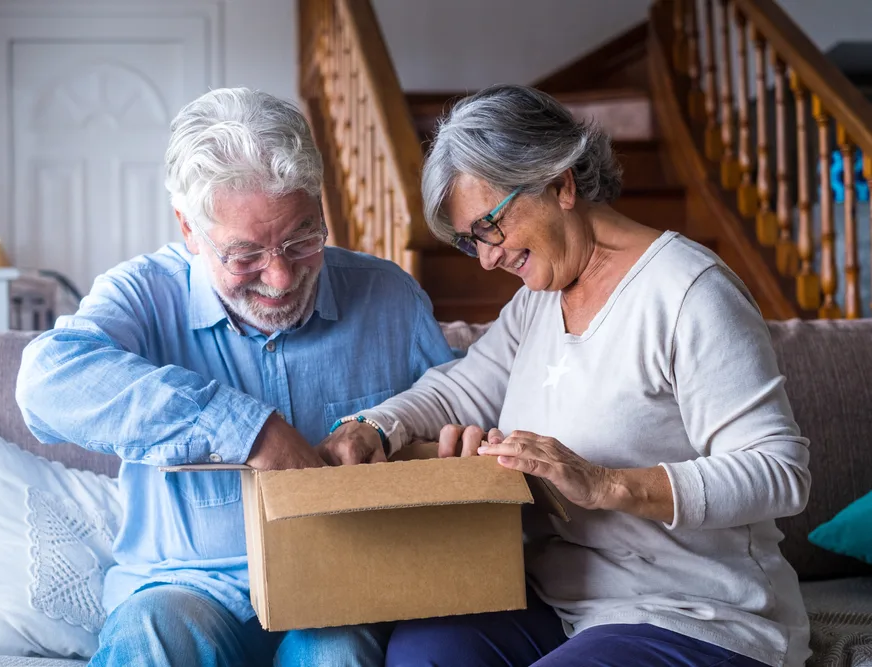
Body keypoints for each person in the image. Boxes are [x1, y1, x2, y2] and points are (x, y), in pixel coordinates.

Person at [325, 84, 812, 667]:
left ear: (561, 183)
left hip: (694, 612)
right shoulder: (538, 302)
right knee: (420, 652)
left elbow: (779, 472)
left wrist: (605, 483)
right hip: (562, 600)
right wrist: (375, 427)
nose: (486, 258)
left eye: (490, 226)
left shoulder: (687, 292)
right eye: (468, 241)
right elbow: (461, 388)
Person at [15, 87, 454, 667]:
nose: (279, 277)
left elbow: (453, 410)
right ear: (189, 229)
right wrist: (248, 429)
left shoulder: (390, 295)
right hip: (181, 589)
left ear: (321, 207)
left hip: (340, 590)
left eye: (301, 240)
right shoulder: (143, 292)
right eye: (245, 253)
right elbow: (47, 381)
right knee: (153, 638)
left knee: (337, 652)